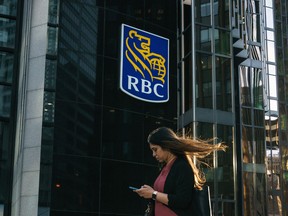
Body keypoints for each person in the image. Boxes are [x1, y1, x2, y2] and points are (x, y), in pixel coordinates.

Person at [134, 127, 227, 216]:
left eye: (155, 149)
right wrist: (149, 192)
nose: (154, 154)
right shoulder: (166, 167)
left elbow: (182, 201)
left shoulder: (182, 166)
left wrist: (153, 194)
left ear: (166, 146)